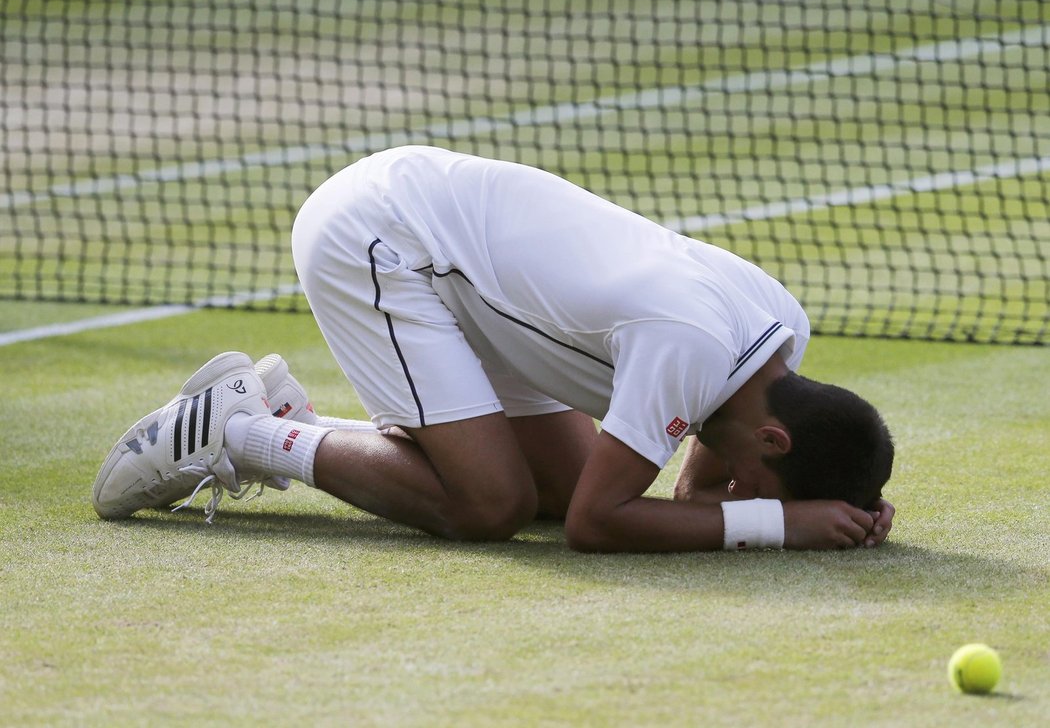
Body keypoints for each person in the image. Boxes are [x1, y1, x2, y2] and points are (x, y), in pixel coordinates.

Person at [93, 145, 895, 552]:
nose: (743, 489)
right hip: (382, 238)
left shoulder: (778, 335)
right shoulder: (690, 347)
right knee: (491, 507)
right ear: (774, 436)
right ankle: (242, 431)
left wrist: (827, 505)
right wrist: (780, 526)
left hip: (474, 276)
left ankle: (303, 421)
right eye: (762, 481)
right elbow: (596, 526)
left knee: (559, 483)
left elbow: (683, 504)